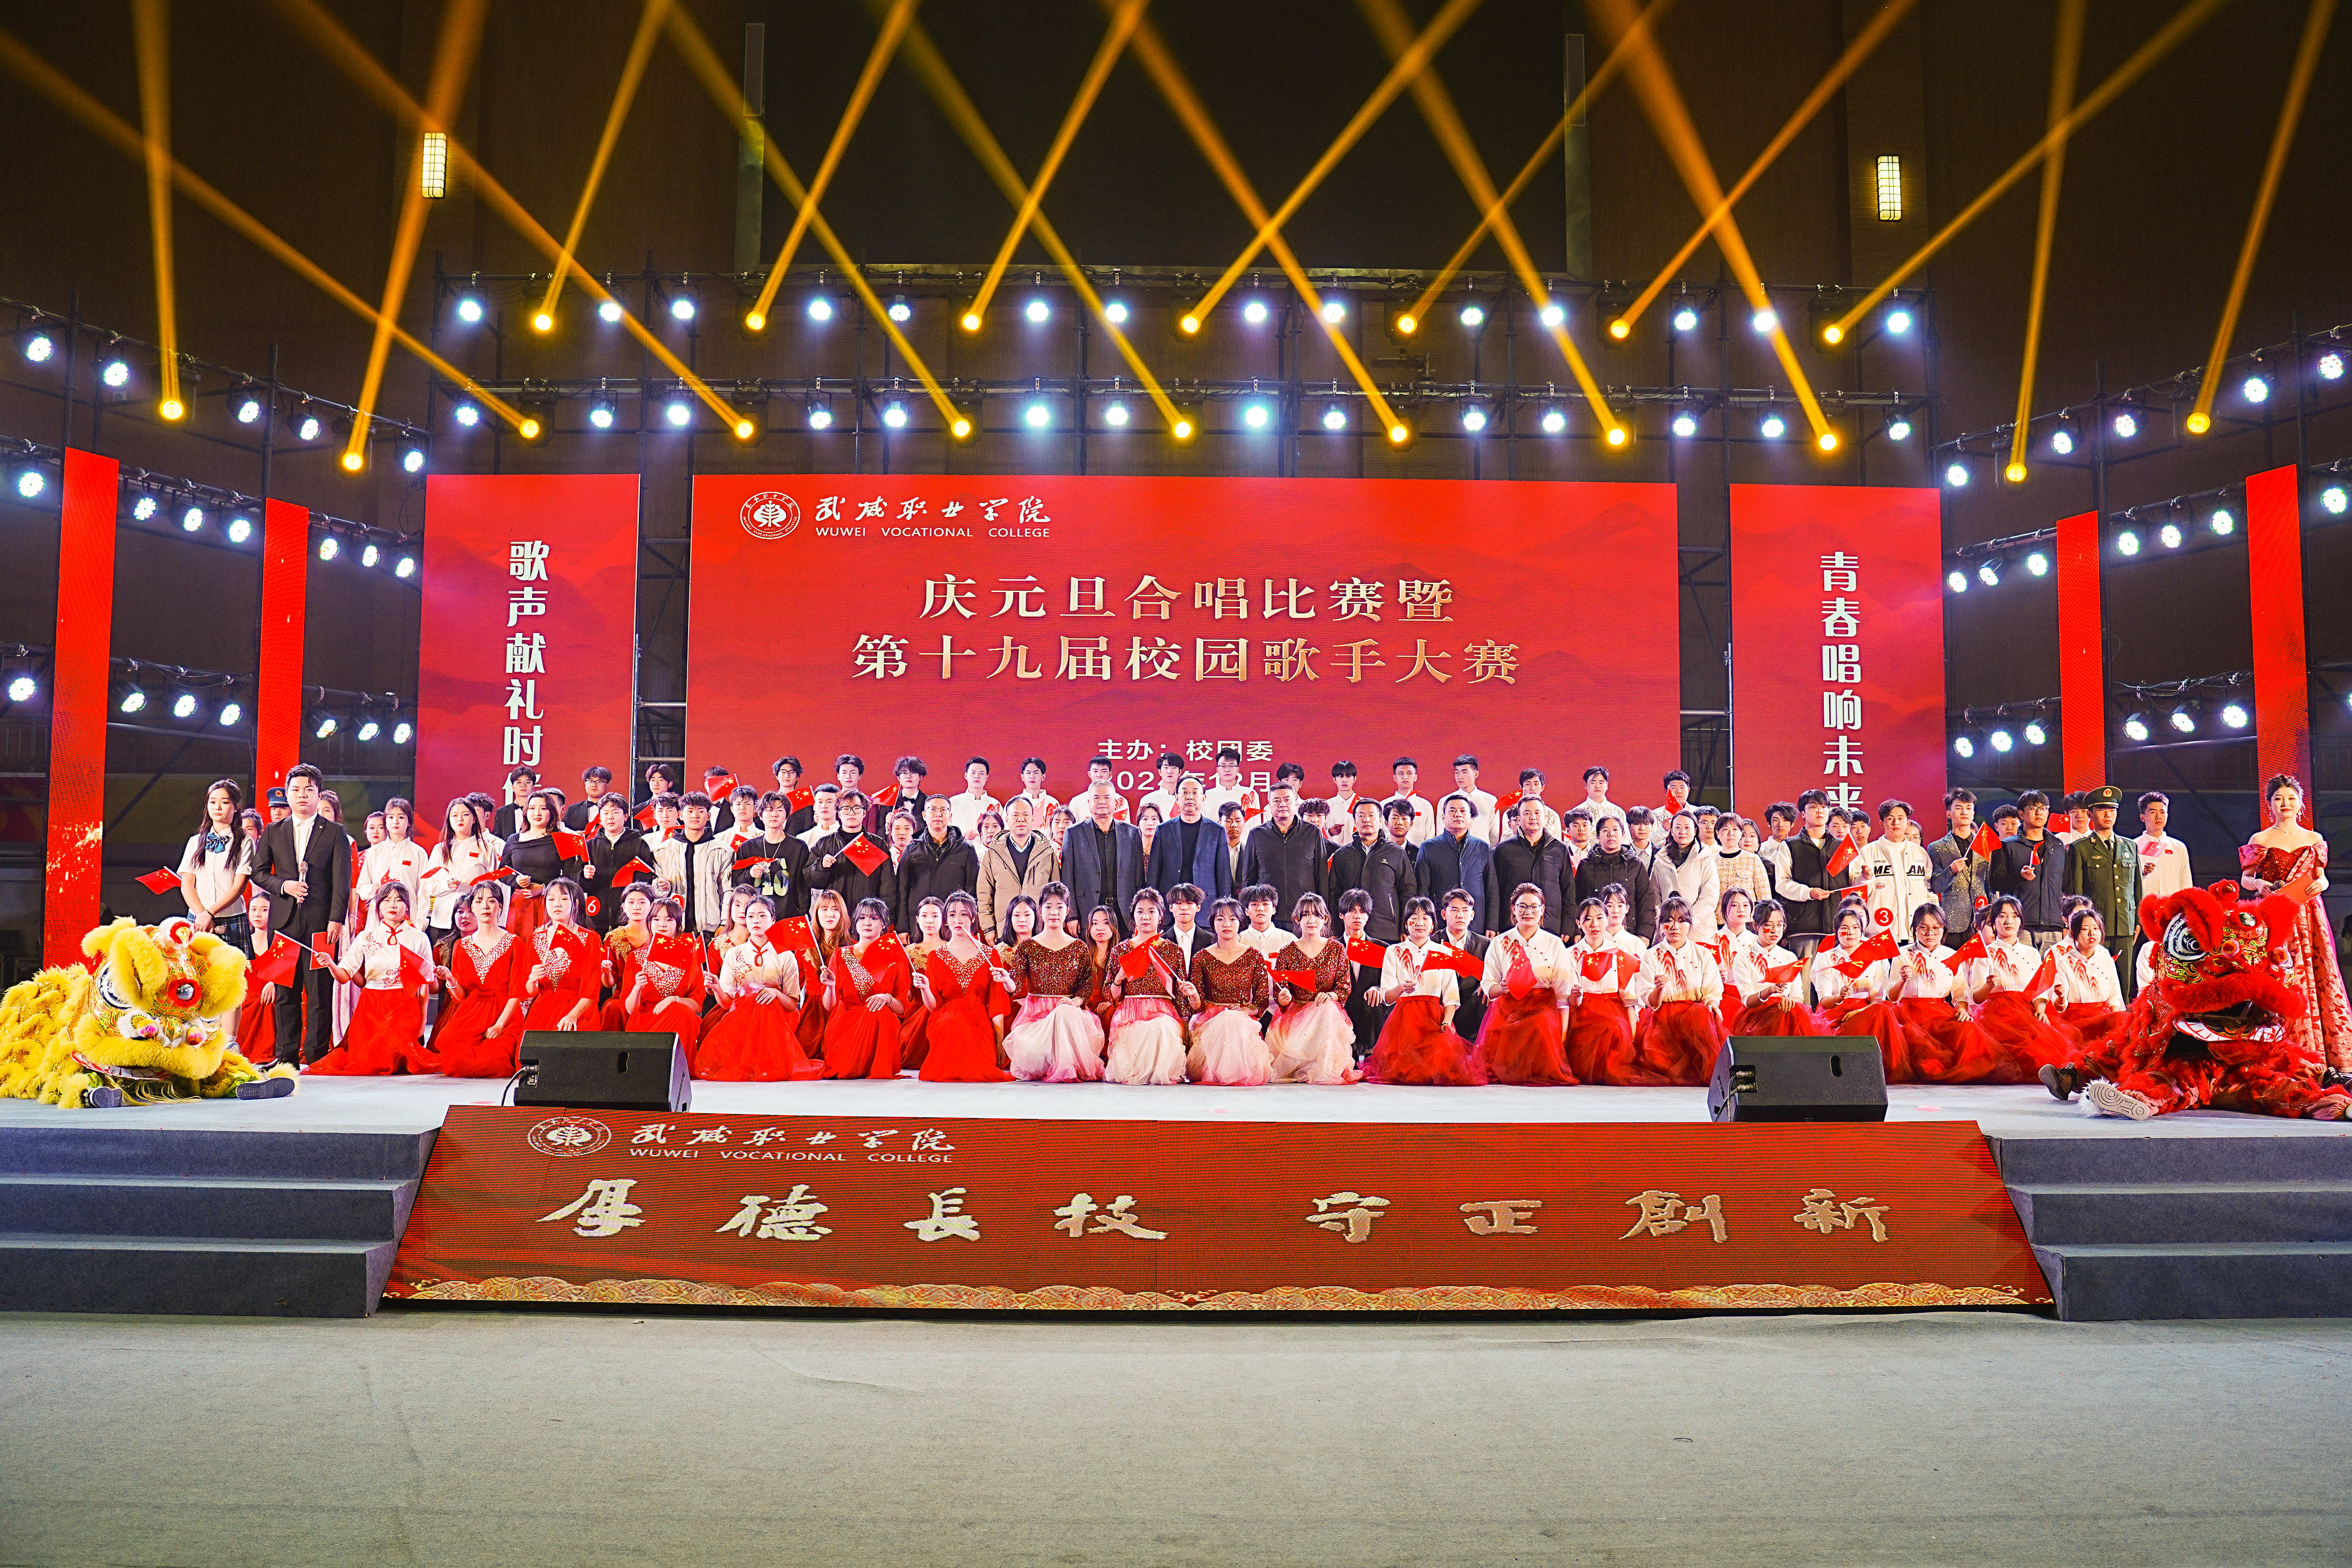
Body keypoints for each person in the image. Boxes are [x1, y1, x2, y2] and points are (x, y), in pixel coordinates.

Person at [2243, 773, 2352, 1070]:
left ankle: (2320, 1051)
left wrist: (2323, 884)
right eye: (2279, 799)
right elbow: (2246, 878)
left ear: (2301, 803)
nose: (2285, 804)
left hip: (2309, 913)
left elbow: (2321, 877)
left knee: (2315, 973)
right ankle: (2276, 1049)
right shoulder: (2260, 840)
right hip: (2276, 911)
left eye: (2291, 799)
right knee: (2279, 971)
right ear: (2270, 804)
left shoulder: (2314, 840)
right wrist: (2259, 885)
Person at [246, 763, 353, 1068]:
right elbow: (259, 873)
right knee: (285, 993)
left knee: (319, 992)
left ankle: (317, 1057)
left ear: (319, 794)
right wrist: (285, 886)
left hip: (322, 924)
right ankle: (286, 1057)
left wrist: (336, 919)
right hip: (282, 923)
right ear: (288, 794)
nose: (302, 796)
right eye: (295, 790)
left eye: (308, 790)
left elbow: (341, 881)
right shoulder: (273, 831)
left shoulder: (335, 833)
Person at [309, 883, 438, 1075]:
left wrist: (423, 1022)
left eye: (399, 900)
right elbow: (344, 976)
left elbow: (427, 984)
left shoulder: (419, 938)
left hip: (404, 1006)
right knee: (368, 1060)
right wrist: (330, 964)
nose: (392, 905)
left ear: (407, 906)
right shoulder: (366, 937)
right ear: (378, 907)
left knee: (395, 1056)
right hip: (371, 1006)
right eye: (386, 900)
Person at [697, 895, 821, 1081]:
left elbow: (791, 1005)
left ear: (773, 920)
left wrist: (776, 994)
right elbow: (727, 1004)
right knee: (752, 1003)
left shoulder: (786, 955)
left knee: (765, 1005)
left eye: (762, 916)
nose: (756, 921)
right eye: (751, 916)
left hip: (778, 1020)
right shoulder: (734, 954)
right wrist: (716, 988)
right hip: (743, 1020)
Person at [1364, 896, 1479, 1084]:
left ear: (1433, 925)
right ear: (1406, 924)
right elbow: (1387, 997)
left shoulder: (1443, 952)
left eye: (1426, 918)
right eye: (1414, 918)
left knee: (1442, 1068)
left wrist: (1447, 1023)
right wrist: (1401, 988)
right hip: (1404, 1020)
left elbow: (1451, 996)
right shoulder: (1394, 951)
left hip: (1435, 1018)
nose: (1420, 923)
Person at [1960, 895, 2074, 1081]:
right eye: (2002, 916)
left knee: (2046, 1046)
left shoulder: (2032, 953)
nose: (2009, 922)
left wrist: (2040, 1009)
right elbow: (1976, 997)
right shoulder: (1984, 953)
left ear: (2021, 921)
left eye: (2014, 916)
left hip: (2026, 1011)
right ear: (1994, 922)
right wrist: (1988, 986)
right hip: (1995, 1015)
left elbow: (2039, 991)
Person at [1472, 884, 1577, 1085]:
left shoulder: (1555, 943)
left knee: (1541, 1024)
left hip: (1543, 1004)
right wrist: (1502, 988)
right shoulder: (1499, 942)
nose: (1528, 912)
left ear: (1542, 910)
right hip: (1509, 1003)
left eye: (1534, 907)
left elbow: (1563, 990)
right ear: (1513, 909)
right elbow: (1489, 983)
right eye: (1522, 906)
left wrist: (1563, 1032)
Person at [1004, 885, 1105, 1081]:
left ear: (1067, 911)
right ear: (1040, 910)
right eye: (1049, 907)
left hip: (1069, 1012)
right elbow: (1014, 985)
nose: (1054, 913)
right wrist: (1006, 979)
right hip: (1037, 1016)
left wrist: (1074, 1002)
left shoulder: (1079, 947)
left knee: (1064, 1012)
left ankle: (1066, 1068)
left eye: (1059, 907)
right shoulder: (1028, 946)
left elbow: (1086, 986)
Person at [1628, 896, 1726, 1086]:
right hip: (1663, 1016)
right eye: (1669, 921)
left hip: (1694, 1015)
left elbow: (1712, 991)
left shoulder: (1703, 954)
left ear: (1690, 925)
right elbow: (1651, 1001)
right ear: (1661, 925)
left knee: (1701, 1014)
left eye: (1681, 921)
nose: (1675, 927)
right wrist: (1659, 989)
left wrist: (1713, 1005)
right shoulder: (1651, 955)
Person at [1266, 893, 1361, 1084]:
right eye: (1306, 915)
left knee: (1327, 1008)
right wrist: (1284, 998)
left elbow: (1344, 987)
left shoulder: (1336, 949)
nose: (1312, 920)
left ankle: (1325, 1069)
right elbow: (1281, 990)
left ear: (1325, 919)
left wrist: (1330, 995)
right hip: (1296, 1015)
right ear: (1297, 919)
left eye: (1317, 915)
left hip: (1328, 1014)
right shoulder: (1287, 951)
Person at [435, 883, 525, 1077]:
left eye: (491, 901)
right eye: (479, 901)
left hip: (505, 1013)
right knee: (449, 1042)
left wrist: (499, 1025)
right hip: (473, 1012)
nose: (485, 906)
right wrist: (450, 979)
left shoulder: (515, 943)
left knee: (498, 1055)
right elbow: (460, 997)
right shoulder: (461, 946)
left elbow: (517, 992)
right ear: (473, 907)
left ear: (500, 907)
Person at [1102, 887, 1190, 1084]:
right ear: (1134, 916)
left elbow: (1180, 995)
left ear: (1161, 916)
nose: (1146, 917)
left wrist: (1186, 1024)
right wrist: (1119, 979)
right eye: (1140, 912)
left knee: (1162, 1027)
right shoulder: (1121, 950)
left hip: (1164, 1011)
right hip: (1130, 1011)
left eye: (1151, 911)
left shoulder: (1173, 950)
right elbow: (1111, 994)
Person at [1185, 898, 1275, 1085]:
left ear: (1240, 922)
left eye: (1232, 919)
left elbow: (1261, 1001)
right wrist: (1193, 995)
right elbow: (1197, 1007)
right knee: (1227, 1020)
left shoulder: (1253, 956)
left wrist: (1245, 1010)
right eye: (1220, 919)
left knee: (1233, 1020)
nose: (1227, 924)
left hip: (1242, 1019)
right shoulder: (1201, 957)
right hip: (1209, 1018)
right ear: (1213, 923)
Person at [818, 898, 912, 1078]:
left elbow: (902, 1009)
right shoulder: (840, 955)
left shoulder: (896, 956)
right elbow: (829, 1006)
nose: (867, 923)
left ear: (884, 924)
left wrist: (887, 999)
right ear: (855, 922)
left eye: (874, 918)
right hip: (846, 1026)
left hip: (880, 1029)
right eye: (862, 918)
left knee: (878, 1010)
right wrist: (830, 987)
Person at [2063, 785, 2143, 983]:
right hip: (2094, 927)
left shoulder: (2130, 846)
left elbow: (2137, 889)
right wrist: (2079, 925)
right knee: (2094, 980)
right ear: (2091, 815)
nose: (2108, 815)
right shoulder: (2080, 848)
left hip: (2125, 924)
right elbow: (2076, 894)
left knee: (2124, 982)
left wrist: (2138, 921)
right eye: (2102, 810)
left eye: (2112, 810)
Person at [1564, 897, 1643, 1080]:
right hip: (1582, 1010)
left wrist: (1633, 1035)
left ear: (1607, 920)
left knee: (1615, 1027)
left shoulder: (1620, 953)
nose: (1595, 925)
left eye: (1600, 918)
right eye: (1588, 919)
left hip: (1613, 1008)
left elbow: (1629, 998)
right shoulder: (1570, 954)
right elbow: (1571, 1000)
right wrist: (1576, 995)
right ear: (1579, 923)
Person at [1726, 899, 1819, 1038]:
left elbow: (1797, 995)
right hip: (1756, 1019)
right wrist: (1769, 991)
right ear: (1756, 925)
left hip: (1787, 1015)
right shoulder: (1743, 958)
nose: (1775, 930)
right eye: (1769, 925)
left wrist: (1790, 1002)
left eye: (1780, 925)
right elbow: (1747, 1000)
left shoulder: (1790, 957)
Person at [1990, 790, 2069, 951]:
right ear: (2021, 814)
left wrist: (2066, 923)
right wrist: (2020, 877)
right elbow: (1995, 883)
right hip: (2020, 925)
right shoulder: (2007, 846)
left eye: (2044, 808)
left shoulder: (2058, 846)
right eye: (2033, 808)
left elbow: (2067, 886)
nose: (2039, 813)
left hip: (2054, 926)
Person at [1062, 787, 1145, 937]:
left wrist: (1139, 913)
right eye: (1096, 798)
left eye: (1107, 797)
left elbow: (1139, 879)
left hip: (1125, 913)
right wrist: (1072, 916)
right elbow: (1067, 878)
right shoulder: (1073, 833)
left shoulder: (1132, 833)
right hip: (1088, 913)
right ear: (1089, 802)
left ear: (1115, 802)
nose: (1102, 802)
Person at [1239, 782, 1325, 927]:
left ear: (1296, 803)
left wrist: (1321, 911)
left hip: (1304, 915)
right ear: (1269, 806)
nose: (1282, 805)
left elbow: (1321, 875)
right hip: (1267, 915)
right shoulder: (1257, 834)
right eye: (1276, 801)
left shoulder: (1312, 832)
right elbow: (1249, 879)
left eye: (1287, 800)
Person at [976, 794, 1060, 941]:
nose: (1021, 819)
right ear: (1007, 820)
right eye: (1015, 815)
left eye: (1026, 815)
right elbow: (984, 895)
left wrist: (1054, 927)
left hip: (1040, 931)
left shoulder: (1047, 852)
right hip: (1004, 930)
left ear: (1033, 819)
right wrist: (988, 928)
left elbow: (1056, 895)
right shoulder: (993, 853)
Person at [2044, 908, 2127, 1055]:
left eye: (2096, 928)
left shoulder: (2106, 959)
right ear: (2073, 934)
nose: (2092, 933)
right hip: (2075, 1022)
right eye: (2085, 929)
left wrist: (2118, 1025)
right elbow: (2060, 1007)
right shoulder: (2064, 961)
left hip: (2103, 1019)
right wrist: (2061, 997)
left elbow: (2114, 997)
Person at [1327, 798, 1413, 941]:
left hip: (1386, 931)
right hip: (1351, 932)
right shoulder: (1342, 855)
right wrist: (1335, 929)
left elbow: (1407, 892)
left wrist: (1405, 928)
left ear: (1381, 821)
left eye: (1371, 815)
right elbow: (1334, 894)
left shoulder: (1396, 853)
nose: (1366, 820)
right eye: (1361, 816)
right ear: (1355, 822)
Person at [501, 789, 579, 943]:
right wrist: (516, 881)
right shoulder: (514, 840)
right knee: (521, 948)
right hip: (521, 904)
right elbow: (502, 872)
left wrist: (544, 888)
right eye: (532, 808)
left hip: (551, 902)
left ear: (552, 812)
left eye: (543, 808)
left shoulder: (563, 840)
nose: (537, 813)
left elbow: (570, 877)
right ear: (526, 812)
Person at [893, 796, 979, 936]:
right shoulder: (912, 850)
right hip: (919, 926)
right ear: (924, 815)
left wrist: (971, 926)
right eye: (933, 809)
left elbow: (972, 892)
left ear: (950, 816)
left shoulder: (966, 850)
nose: (938, 814)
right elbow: (902, 891)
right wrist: (902, 928)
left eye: (943, 810)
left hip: (953, 925)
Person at [179, 779, 252, 943]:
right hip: (198, 918)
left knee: (235, 961)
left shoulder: (245, 841)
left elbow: (239, 886)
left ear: (236, 806)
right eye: (212, 802)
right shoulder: (195, 842)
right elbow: (187, 885)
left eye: (224, 802)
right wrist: (202, 914)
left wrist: (210, 913)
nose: (217, 807)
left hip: (232, 918)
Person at [1490, 795, 1572, 937]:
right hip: (1511, 926)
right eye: (1527, 813)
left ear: (1544, 817)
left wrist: (1568, 926)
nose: (1533, 817)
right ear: (1519, 819)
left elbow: (1569, 890)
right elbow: (1495, 890)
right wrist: (1493, 924)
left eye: (1537, 813)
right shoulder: (1504, 850)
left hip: (1550, 926)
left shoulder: (1559, 849)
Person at [1776, 789, 1842, 959]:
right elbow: (1782, 884)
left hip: (1838, 927)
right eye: (1814, 807)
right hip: (1803, 927)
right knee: (1804, 975)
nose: (1820, 811)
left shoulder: (1842, 847)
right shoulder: (1791, 845)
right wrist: (1809, 892)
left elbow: (1853, 882)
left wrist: (1865, 877)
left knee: (1835, 975)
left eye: (1824, 807)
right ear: (1803, 814)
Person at [810, 792, 897, 915]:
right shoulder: (825, 843)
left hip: (867, 916)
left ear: (864, 813)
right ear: (839, 813)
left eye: (857, 808)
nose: (851, 813)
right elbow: (811, 880)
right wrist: (822, 866)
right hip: (835, 916)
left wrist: (880, 915)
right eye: (846, 809)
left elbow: (888, 887)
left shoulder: (877, 844)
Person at [730, 791, 812, 919]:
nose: (774, 814)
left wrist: (802, 915)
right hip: (755, 919)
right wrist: (750, 874)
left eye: (780, 810)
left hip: (788, 917)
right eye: (769, 810)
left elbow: (803, 887)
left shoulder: (799, 847)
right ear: (761, 815)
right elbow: (736, 883)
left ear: (787, 816)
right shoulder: (748, 847)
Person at [1147, 776, 1229, 901]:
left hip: (1206, 902)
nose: (1189, 797)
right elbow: (1154, 871)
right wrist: (1153, 903)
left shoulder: (1217, 831)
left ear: (1203, 798)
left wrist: (1224, 904)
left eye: (1195, 793)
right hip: (1170, 901)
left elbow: (1224, 873)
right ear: (1177, 798)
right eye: (1184, 792)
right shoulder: (1163, 830)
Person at [1574, 813, 1652, 941]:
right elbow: (1577, 901)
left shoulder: (1635, 864)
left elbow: (1646, 901)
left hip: (1629, 934)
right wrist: (1577, 931)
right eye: (1605, 831)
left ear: (1623, 835)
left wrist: (1645, 934)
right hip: (1594, 934)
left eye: (1616, 830)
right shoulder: (1587, 865)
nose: (1611, 834)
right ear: (1598, 837)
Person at [1925, 788, 1992, 938]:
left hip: (1982, 919)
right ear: (1949, 813)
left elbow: (1991, 885)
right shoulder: (1937, 847)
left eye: (1969, 808)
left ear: (1974, 813)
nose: (1964, 812)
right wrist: (1951, 871)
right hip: (1953, 921)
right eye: (1959, 808)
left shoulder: (1985, 845)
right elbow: (1936, 886)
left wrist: (1992, 915)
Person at [1415, 794, 1492, 918]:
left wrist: (1492, 925)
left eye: (1463, 811)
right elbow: (1422, 890)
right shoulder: (1429, 847)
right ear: (1443, 817)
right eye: (1452, 811)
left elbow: (1492, 890)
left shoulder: (1483, 848)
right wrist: (1425, 920)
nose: (1458, 815)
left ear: (1471, 818)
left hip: (1476, 919)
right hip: (1440, 919)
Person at [1334, 889, 1388, 1061]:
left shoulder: (1382, 948)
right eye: (1352, 911)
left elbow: (1390, 981)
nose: (1358, 916)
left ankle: (1374, 1056)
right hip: (1342, 1006)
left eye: (1362, 911)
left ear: (1368, 916)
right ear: (1342, 915)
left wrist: (1378, 988)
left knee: (1376, 1002)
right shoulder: (1332, 948)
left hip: (1370, 1008)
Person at [1651, 811, 1721, 941]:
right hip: (1668, 931)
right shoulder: (1660, 861)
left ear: (1695, 831)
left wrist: (1686, 922)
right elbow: (1654, 896)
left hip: (1699, 932)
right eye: (1678, 828)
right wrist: (1666, 921)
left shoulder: (1706, 859)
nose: (1682, 831)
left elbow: (1709, 897)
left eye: (1687, 828)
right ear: (1672, 831)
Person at [1435, 889, 1491, 1043]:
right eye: (1454, 910)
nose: (1460, 915)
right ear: (1444, 914)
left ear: (1472, 915)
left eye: (1465, 911)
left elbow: (1492, 976)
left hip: (1473, 1008)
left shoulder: (1485, 944)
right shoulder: (1432, 942)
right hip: (1440, 1009)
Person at [2136, 791, 2194, 901]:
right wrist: (2143, 874)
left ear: (2167, 815)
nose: (2158, 817)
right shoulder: (2133, 846)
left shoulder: (2179, 847)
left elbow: (2186, 883)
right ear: (2143, 818)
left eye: (2162, 812)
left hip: (2173, 909)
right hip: (2144, 908)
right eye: (2153, 812)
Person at [1711, 812, 1770, 913]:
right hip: (1719, 918)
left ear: (1741, 833)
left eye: (1735, 829)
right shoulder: (1711, 861)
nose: (1731, 834)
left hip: (1748, 918)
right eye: (1726, 829)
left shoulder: (1753, 859)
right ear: (1718, 833)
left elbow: (1765, 897)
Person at [1199, 746, 1263, 828]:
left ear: (1238, 770)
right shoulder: (1206, 796)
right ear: (1217, 770)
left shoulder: (1251, 794)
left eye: (1231, 766)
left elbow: (1257, 826)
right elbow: (1204, 827)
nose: (1227, 770)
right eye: (1223, 766)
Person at [1386, 757, 1435, 846]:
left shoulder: (1426, 805)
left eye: (1409, 773)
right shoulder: (1384, 805)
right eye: (1401, 774)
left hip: (1419, 852)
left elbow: (1430, 835)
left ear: (1415, 777)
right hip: (1390, 852)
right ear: (1395, 778)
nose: (1405, 777)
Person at [1449, 755, 1498, 841]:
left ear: (1476, 774)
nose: (1460, 777)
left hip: (1482, 848)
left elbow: (1494, 834)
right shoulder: (1447, 801)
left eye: (1464, 772)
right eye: (1457, 772)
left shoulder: (1491, 800)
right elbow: (1441, 833)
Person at [1161, 884, 1211, 968]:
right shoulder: (1161, 941)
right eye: (1179, 903)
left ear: (1198, 907)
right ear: (1171, 908)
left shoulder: (1210, 940)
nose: (1184, 908)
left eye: (1190, 903)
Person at [1237, 885, 1291, 960]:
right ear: (1247, 911)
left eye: (1265, 904)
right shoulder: (1238, 940)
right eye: (1255, 905)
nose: (1260, 909)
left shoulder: (1289, 940)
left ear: (1274, 910)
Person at [1137, 751, 1188, 824]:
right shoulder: (1148, 800)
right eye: (1166, 768)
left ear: (1180, 772)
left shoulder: (1187, 799)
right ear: (1160, 772)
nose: (1170, 771)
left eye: (1174, 768)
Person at [1320, 761, 1363, 846]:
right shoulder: (1326, 805)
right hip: (1332, 852)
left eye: (1348, 776)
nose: (1345, 780)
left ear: (1355, 779)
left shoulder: (1364, 804)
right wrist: (1330, 832)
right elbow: (1319, 834)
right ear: (1334, 780)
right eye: (1341, 777)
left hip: (1358, 851)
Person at [490, 765, 539, 839]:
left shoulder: (539, 812)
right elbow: (497, 839)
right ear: (513, 787)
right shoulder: (502, 812)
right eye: (519, 782)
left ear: (533, 788)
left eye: (528, 782)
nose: (523, 785)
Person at [796, 785, 841, 849]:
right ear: (815, 807)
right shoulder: (803, 839)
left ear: (838, 805)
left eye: (829, 802)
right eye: (820, 802)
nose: (824, 806)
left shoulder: (848, 838)